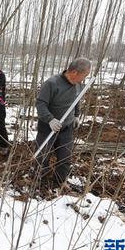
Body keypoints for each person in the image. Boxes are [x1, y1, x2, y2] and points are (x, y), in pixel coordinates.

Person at [35, 57, 91, 189]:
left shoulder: (78, 85)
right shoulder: (52, 83)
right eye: (84, 76)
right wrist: (50, 119)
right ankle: (40, 182)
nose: (84, 80)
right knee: (42, 157)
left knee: (65, 158)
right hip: (48, 127)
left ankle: (59, 182)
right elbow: (40, 104)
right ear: (74, 72)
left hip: (66, 128)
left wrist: (76, 116)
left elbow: (76, 100)